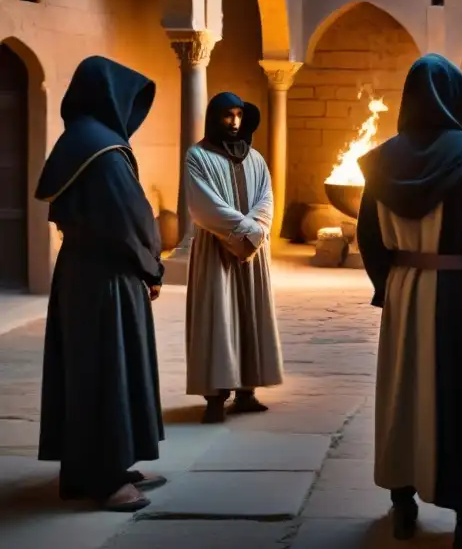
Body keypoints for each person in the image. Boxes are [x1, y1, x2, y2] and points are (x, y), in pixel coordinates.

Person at [356, 54, 462, 547]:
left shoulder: (380, 163)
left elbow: (370, 238)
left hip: (407, 289)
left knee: (404, 391)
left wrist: (391, 284)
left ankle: (402, 502)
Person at [35, 56, 166, 512]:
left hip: (85, 271)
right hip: (107, 277)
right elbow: (129, 220)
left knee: (91, 370)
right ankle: (105, 479)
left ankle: (88, 470)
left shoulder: (82, 140)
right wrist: (152, 267)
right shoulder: (104, 152)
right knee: (108, 370)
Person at [184, 92, 283, 423]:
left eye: (240, 114)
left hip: (252, 252)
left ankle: (246, 392)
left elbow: (266, 199)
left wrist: (254, 232)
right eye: (228, 115)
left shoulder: (256, 159)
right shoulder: (197, 156)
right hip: (217, 250)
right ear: (215, 117)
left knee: (250, 315)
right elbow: (204, 206)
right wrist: (247, 232)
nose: (235, 121)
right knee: (219, 318)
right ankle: (215, 398)